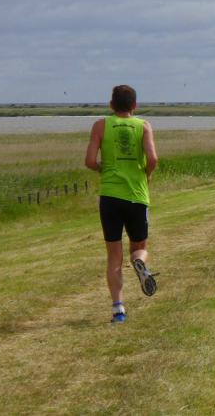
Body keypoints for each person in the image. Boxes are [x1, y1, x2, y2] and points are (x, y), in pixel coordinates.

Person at [85, 85, 159, 324]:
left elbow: (89, 161)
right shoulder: (143, 126)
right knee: (139, 246)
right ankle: (140, 263)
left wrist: (102, 169)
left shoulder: (100, 125)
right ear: (134, 105)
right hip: (136, 195)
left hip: (110, 196)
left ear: (111, 105)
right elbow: (153, 158)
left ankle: (118, 309)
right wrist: (147, 174)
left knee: (113, 255)